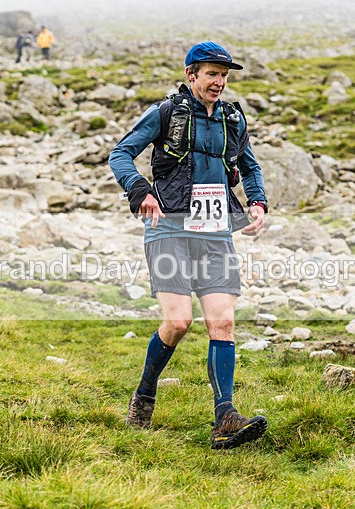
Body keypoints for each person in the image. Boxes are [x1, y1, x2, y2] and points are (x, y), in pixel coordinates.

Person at [109, 41, 269, 450]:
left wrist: (256, 201)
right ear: (191, 75)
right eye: (212, 74)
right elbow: (121, 154)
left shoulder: (233, 119)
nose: (219, 82)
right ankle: (144, 395)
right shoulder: (165, 112)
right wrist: (140, 190)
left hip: (214, 232)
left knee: (223, 322)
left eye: (224, 75)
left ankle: (225, 418)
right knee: (178, 322)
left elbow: (248, 165)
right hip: (169, 230)